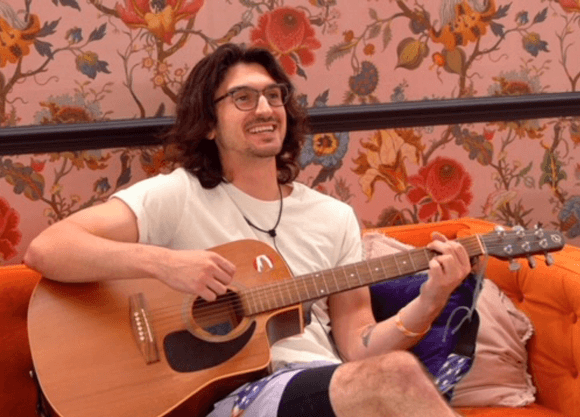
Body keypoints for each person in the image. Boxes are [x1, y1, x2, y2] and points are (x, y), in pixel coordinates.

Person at [24, 43, 472, 417]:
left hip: (324, 383)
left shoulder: (332, 217)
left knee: (391, 373)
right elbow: (48, 248)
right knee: (397, 375)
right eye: (243, 98)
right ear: (209, 123)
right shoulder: (176, 196)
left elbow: (359, 347)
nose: (264, 109)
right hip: (237, 396)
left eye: (273, 96)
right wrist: (165, 263)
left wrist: (430, 301)